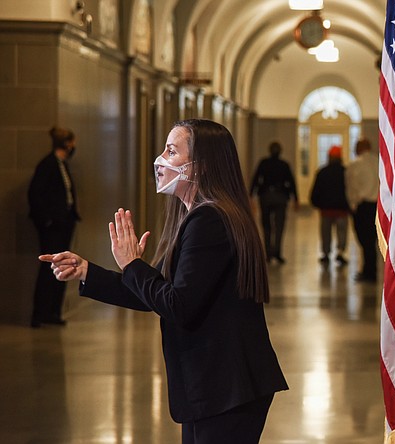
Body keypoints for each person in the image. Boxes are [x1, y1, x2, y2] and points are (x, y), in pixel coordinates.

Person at [40, 119, 288, 443]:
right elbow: (154, 293)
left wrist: (132, 264)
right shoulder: (199, 215)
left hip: (226, 384)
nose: (160, 160)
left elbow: (177, 305)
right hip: (222, 383)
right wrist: (88, 270)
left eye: (171, 152)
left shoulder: (209, 219)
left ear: (200, 167)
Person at [28, 126, 80, 328]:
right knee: (48, 267)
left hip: (65, 222)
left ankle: (53, 312)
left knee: (62, 266)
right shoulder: (48, 165)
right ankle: (40, 313)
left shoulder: (62, 164)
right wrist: (47, 220)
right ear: (67, 143)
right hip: (52, 226)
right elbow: (35, 195)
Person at [250, 141, 298, 264]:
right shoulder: (284, 165)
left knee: (266, 226)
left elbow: (256, 179)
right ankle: (277, 252)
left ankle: (268, 253)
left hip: (265, 196)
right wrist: (296, 199)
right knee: (279, 226)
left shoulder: (264, 163)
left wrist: (251, 195)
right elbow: (291, 182)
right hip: (281, 196)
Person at [345, 138, 379, 282]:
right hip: (378, 206)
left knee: (365, 240)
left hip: (363, 207)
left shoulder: (355, 164)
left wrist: (353, 205)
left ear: (359, 148)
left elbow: (351, 188)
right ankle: (369, 269)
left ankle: (369, 272)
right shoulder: (379, 162)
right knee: (372, 240)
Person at [310, 145, 349, 265]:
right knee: (342, 232)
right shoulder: (345, 172)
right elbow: (350, 190)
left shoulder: (322, 172)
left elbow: (316, 191)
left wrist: (317, 203)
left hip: (326, 209)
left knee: (325, 232)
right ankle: (340, 253)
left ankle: (326, 254)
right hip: (342, 209)